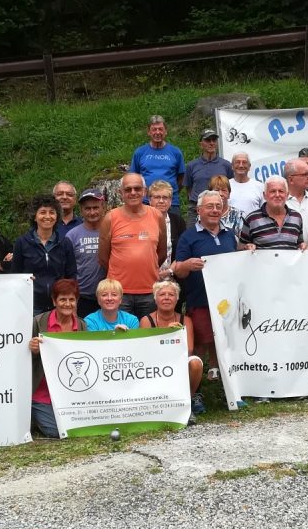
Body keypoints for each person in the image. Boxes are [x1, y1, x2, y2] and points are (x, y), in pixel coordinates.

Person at [174, 190, 237, 375]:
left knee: (227, 341)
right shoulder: (188, 236)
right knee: (201, 343)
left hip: (227, 301)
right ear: (199, 210)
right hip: (200, 300)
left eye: (218, 206)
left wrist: (247, 250)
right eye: (210, 206)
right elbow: (179, 271)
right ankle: (199, 388)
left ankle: (226, 384)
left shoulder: (229, 234)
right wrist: (186, 264)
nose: (215, 210)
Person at [98, 173, 166, 318]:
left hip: (149, 290)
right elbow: (103, 258)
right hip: (118, 293)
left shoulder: (157, 216)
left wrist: (147, 267)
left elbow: (162, 253)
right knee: (120, 337)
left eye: (137, 188)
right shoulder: (110, 218)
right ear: (120, 193)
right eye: (128, 189)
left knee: (148, 336)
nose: (133, 193)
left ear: (145, 191)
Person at [141, 279, 206, 419]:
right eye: (162, 294)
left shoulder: (185, 320)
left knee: (196, 363)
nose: (166, 298)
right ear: (155, 298)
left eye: (171, 294)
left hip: (179, 361)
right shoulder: (146, 320)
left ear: (177, 299)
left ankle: (187, 403)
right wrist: (168, 337)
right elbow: (146, 351)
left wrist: (176, 334)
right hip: (155, 366)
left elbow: (189, 350)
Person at [29, 279, 85, 438]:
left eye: (72, 299)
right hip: (43, 391)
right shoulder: (38, 322)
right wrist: (32, 349)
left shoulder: (81, 326)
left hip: (69, 392)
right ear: (54, 301)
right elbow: (21, 355)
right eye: (62, 299)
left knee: (77, 428)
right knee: (56, 431)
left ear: (77, 301)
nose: (67, 304)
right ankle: (35, 415)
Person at [10, 195, 74, 312]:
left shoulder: (65, 243)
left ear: (57, 216)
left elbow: (72, 276)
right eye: (43, 212)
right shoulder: (22, 242)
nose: (47, 216)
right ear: (35, 217)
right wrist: (24, 280)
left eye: (52, 212)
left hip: (59, 305)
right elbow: (15, 276)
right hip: (31, 305)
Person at [64, 188, 108, 318]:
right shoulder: (72, 235)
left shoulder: (112, 231)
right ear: (81, 210)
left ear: (103, 207)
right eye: (87, 208)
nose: (92, 212)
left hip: (108, 295)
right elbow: (66, 268)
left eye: (96, 207)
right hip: (82, 296)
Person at [129, 114, 186, 209]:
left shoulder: (175, 152)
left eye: (160, 129)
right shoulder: (140, 152)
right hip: (146, 202)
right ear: (149, 132)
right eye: (154, 129)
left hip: (171, 202)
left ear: (166, 131)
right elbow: (134, 177)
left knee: (172, 224)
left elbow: (181, 177)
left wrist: (170, 191)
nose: (157, 132)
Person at [238, 176, 305, 250]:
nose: (277, 195)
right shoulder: (252, 219)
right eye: (273, 191)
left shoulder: (296, 217)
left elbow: (299, 243)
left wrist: (302, 246)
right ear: (264, 195)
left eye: (281, 191)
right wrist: (246, 247)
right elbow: (240, 248)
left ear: (287, 195)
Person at [185, 129, 233, 213]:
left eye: (214, 140)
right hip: (196, 209)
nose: (211, 143)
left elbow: (231, 186)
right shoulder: (191, 165)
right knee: (191, 227)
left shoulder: (226, 165)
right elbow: (188, 188)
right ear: (201, 144)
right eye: (207, 140)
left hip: (219, 209)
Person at [146, 180, 186, 281]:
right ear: (149, 200)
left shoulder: (178, 221)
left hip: (172, 278)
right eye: (157, 197)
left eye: (165, 197)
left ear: (171, 201)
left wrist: (170, 271)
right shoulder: (141, 221)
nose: (161, 201)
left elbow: (184, 250)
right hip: (147, 278)